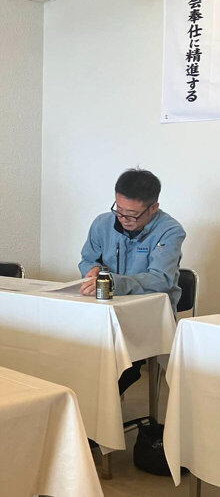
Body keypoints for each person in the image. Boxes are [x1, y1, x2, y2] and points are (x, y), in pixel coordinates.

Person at [78, 168, 185, 393]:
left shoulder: (170, 231)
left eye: (132, 214)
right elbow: (87, 259)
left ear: (153, 207)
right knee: (74, 343)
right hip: (105, 308)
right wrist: (92, 270)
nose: (123, 218)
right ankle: (83, 397)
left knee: (113, 361)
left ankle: (102, 401)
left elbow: (161, 279)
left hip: (148, 314)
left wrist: (113, 283)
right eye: (119, 210)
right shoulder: (102, 223)